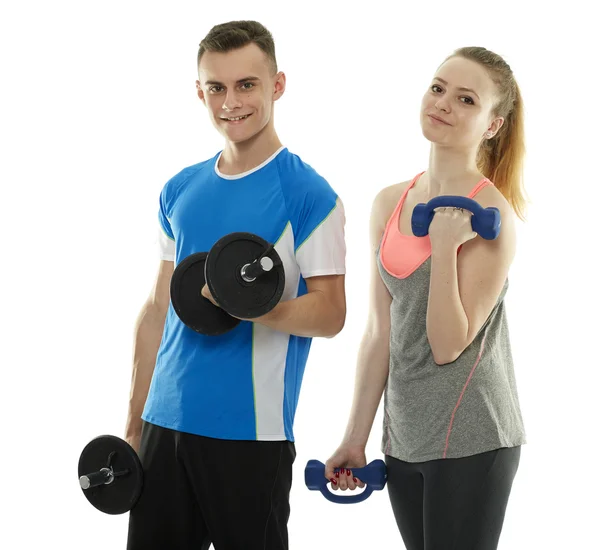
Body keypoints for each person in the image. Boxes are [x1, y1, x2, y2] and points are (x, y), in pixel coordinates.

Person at [124, 20, 347, 550]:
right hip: (163, 424)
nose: (231, 102)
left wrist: (248, 305)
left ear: (277, 85)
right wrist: (133, 425)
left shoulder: (309, 194)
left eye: (246, 84)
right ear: (198, 91)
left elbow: (331, 313)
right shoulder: (180, 189)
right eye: (216, 87)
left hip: (249, 436)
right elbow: (157, 310)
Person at [325, 46, 527, 550]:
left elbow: (446, 344)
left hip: (472, 435)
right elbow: (379, 333)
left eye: (465, 99)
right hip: (407, 435)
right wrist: (356, 437)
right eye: (438, 88)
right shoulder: (389, 203)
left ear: (492, 125)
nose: (442, 104)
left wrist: (443, 246)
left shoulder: (491, 218)